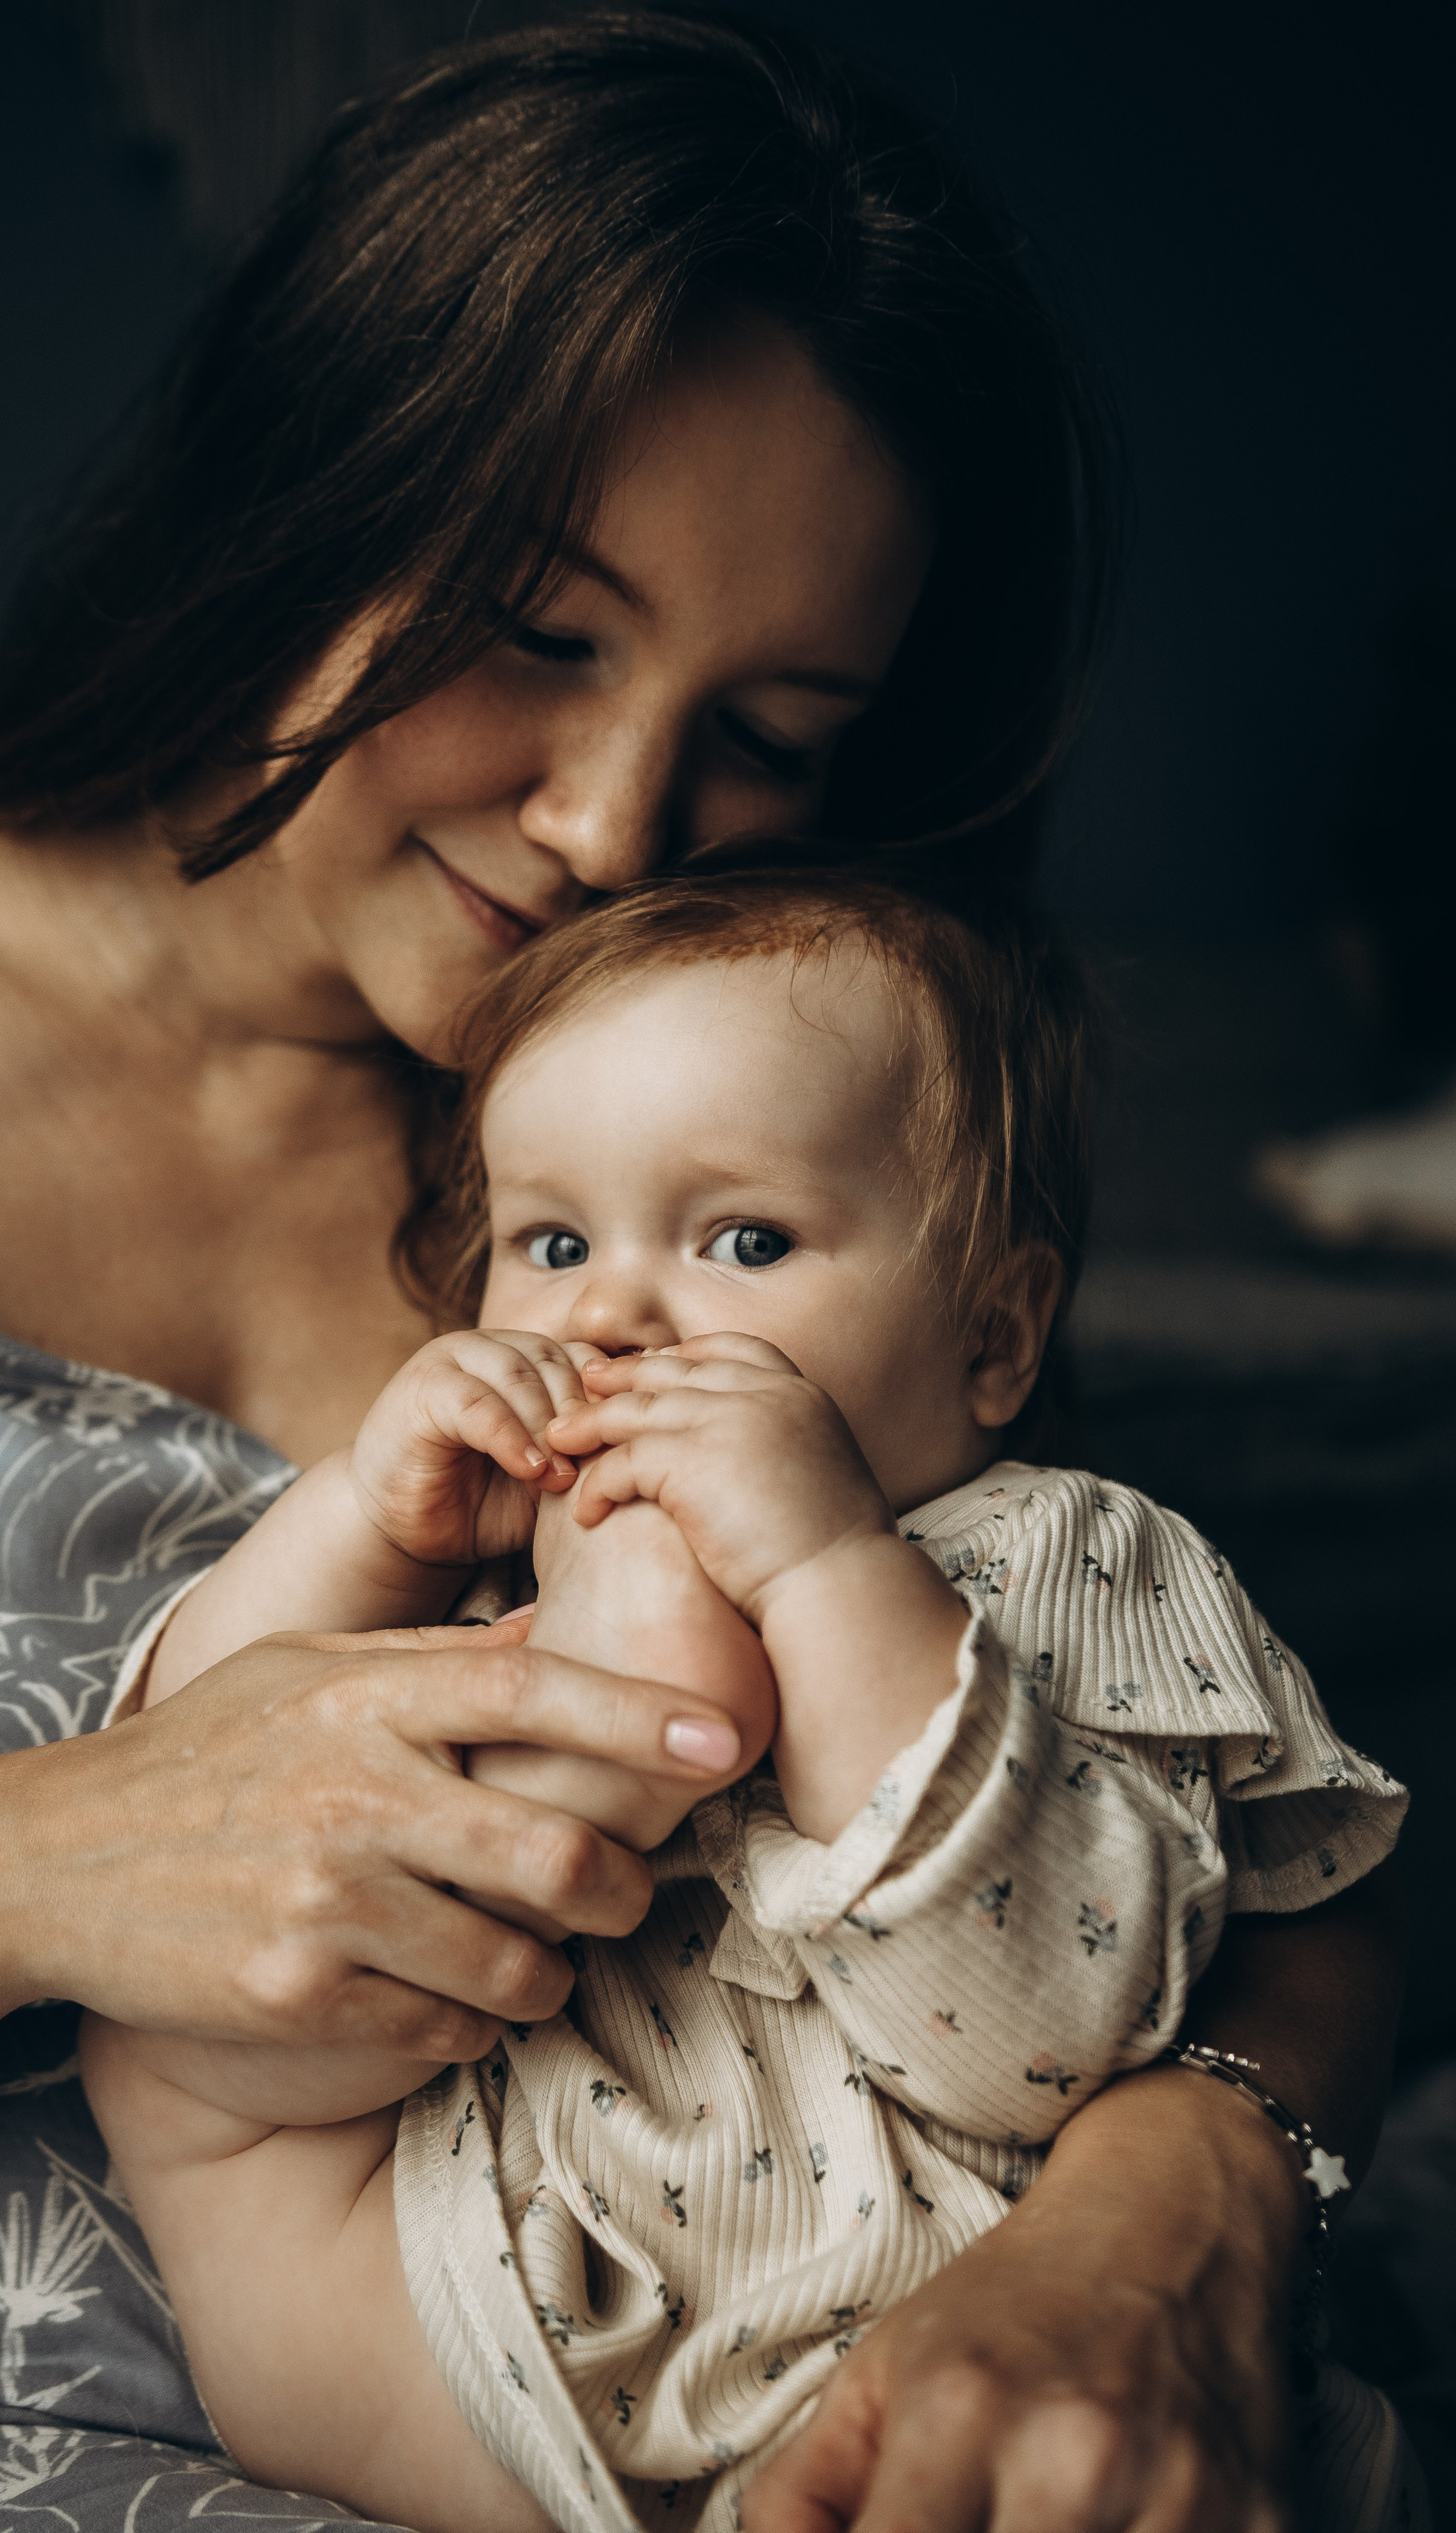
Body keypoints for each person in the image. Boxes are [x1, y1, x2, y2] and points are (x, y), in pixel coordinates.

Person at [0, 16, 1404, 2532]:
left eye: (774, 733)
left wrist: (1167, 2211)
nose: (621, 825)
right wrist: (49, 1852)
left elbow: (1224, 1810)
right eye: (538, 629)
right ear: (310, 477)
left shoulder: (755, 1145)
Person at [79, 871, 1416, 2533]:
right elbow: (184, 1796)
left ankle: (617, 1721)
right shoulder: (481, 1569)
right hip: (481, 2331)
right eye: (551, 1243)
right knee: (159, 2025)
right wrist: (361, 1513)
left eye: (746, 1242)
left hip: (912, 2372)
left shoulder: (1063, 1556)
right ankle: (606, 1725)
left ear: (993, 1340)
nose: (609, 1315)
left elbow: (1040, 2044)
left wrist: (821, 1570)